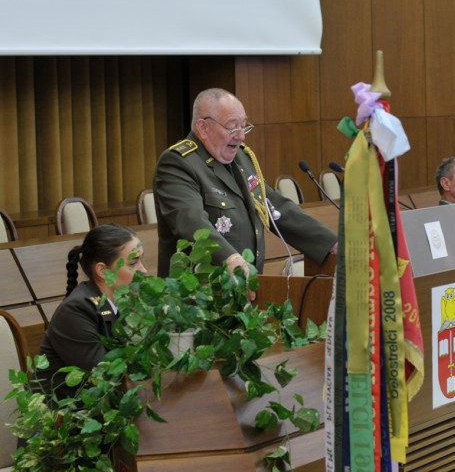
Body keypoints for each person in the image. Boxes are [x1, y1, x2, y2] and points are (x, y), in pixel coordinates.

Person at [152, 88, 337, 278]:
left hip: (245, 286)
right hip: (200, 291)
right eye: (233, 127)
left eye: (244, 127)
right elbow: (192, 222)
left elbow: (274, 206)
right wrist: (230, 259)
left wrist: (331, 243)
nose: (241, 136)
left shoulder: (241, 158)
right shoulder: (177, 164)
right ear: (203, 128)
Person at [37, 224, 146, 398]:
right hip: (69, 410)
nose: (144, 270)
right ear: (103, 271)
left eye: (141, 260)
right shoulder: (75, 311)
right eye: (133, 263)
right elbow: (107, 376)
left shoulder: (124, 303)